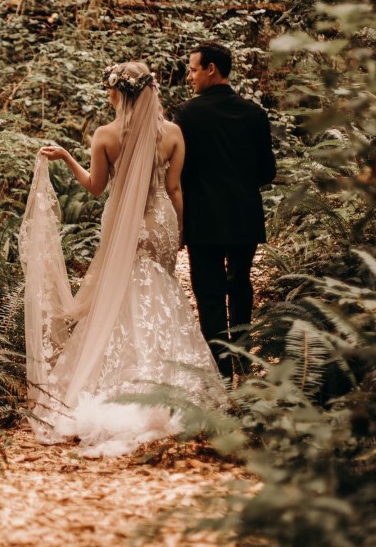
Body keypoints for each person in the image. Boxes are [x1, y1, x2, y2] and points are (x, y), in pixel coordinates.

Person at [19, 61, 222, 457]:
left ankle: (126, 377)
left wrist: (66, 157)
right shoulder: (175, 134)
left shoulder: (106, 135)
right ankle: (171, 380)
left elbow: (96, 188)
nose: (108, 96)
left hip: (124, 224)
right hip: (162, 219)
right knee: (160, 287)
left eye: (109, 90)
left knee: (124, 287)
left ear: (119, 93)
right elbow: (174, 188)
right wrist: (180, 230)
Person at [175, 40, 276, 380]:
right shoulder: (255, 113)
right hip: (244, 217)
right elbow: (268, 172)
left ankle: (220, 373)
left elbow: (181, 172)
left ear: (210, 69)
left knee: (210, 293)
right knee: (240, 284)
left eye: (192, 69)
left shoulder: (188, 114)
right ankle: (243, 361)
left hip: (203, 219)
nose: (190, 77)